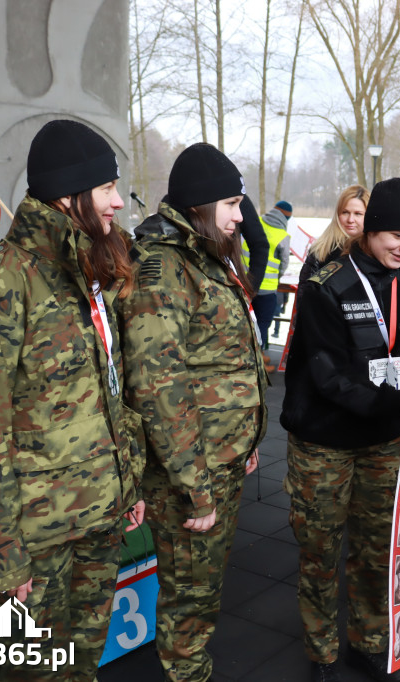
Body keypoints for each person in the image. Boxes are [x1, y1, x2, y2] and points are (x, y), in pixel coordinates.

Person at [0, 120, 145, 680]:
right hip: (31, 548)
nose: (117, 203)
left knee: (80, 667)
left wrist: (125, 481)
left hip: (98, 520)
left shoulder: (87, 270)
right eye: (106, 188)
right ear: (67, 193)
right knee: (30, 674)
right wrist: (3, 558)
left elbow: (107, 387)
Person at [121, 142, 267, 682]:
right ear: (202, 205)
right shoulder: (165, 268)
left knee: (202, 594)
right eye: (231, 203)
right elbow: (159, 386)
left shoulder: (206, 257)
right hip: (191, 474)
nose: (239, 215)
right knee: (189, 602)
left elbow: (223, 362)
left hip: (217, 460)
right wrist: (194, 485)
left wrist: (244, 444)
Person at [281, 177, 400, 682]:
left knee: (377, 548)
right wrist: (395, 405)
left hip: (385, 443)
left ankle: (368, 641)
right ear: (370, 229)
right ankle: (321, 649)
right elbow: (325, 373)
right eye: (396, 235)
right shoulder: (326, 283)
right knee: (320, 550)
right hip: (324, 442)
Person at [245, 199, 292, 359]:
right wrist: (275, 278)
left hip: (246, 283)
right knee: (263, 324)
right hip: (267, 290)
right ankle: (261, 358)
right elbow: (284, 263)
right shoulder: (283, 236)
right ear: (286, 219)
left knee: (245, 322)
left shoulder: (256, 223)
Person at [299, 185, 369, 282]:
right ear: (337, 214)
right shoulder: (321, 250)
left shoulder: (377, 253)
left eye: (358, 214)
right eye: (345, 212)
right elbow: (307, 291)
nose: (350, 220)